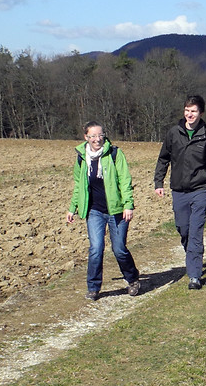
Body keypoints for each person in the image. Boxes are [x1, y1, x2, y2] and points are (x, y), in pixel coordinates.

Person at [154, 95, 206, 290]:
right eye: (187, 110)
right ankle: (193, 255)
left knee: (195, 231)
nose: (190, 114)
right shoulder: (173, 133)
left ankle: (194, 275)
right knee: (183, 228)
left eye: (194, 111)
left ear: (201, 113)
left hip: (200, 189)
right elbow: (163, 159)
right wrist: (158, 181)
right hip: (179, 190)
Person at [66, 122, 140, 301]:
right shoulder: (81, 158)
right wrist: (72, 208)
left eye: (100, 135)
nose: (97, 139)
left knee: (119, 249)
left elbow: (125, 180)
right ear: (86, 138)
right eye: (92, 136)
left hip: (117, 210)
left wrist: (128, 204)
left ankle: (132, 279)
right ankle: (93, 288)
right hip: (94, 211)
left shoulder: (115, 154)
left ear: (104, 135)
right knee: (96, 249)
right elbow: (79, 186)